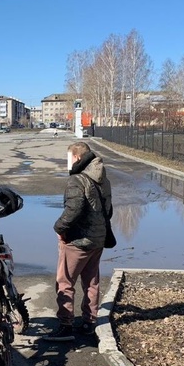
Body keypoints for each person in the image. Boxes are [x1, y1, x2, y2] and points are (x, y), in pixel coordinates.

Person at [44, 141, 112, 341]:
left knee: (65, 282)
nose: (68, 162)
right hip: (98, 239)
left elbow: (73, 210)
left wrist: (59, 228)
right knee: (91, 282)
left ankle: (65, 325)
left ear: (77, 157)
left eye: (69, 158)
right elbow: (108, 210)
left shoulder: (77, 180)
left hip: (78, 241)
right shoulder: (103, 178)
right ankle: (89, 322)